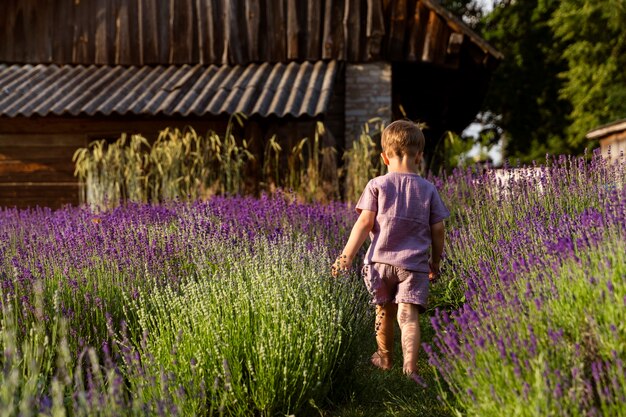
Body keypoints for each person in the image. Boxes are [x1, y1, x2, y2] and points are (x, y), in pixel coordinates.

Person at [332, 120, 449, 384]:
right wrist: (435, 262)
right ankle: (410, 367)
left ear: (384, 157)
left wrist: (346, 257)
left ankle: (384, 358)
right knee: (408, 318)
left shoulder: (377, 185)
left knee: (383, 312)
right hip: (413, 266)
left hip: (379, 263)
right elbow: (439, 229)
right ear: (419, 156)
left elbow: (364, 223)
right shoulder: (428, 189)